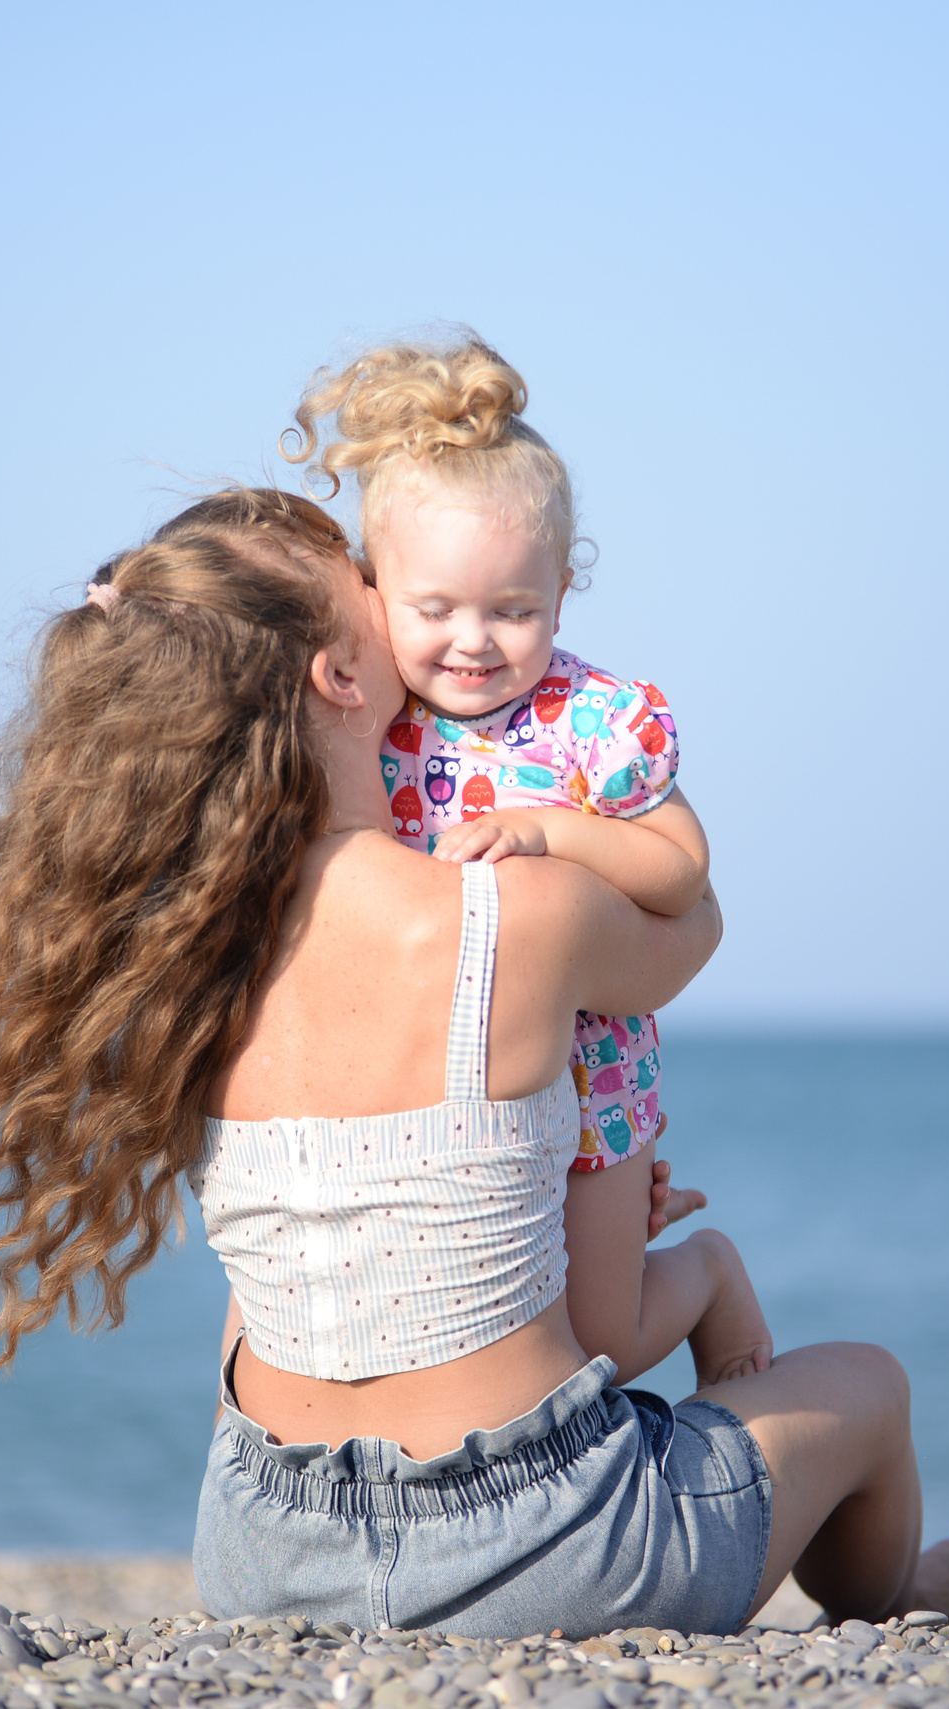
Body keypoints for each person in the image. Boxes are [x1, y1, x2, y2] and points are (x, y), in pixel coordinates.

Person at [0, 484, 949, 1638]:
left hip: (263, 1548)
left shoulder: (174, 962)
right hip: (548, 1543)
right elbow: (693, 924)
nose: (389, 591)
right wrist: (578, 817)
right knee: (869, 1384)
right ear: (343, 678)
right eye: (366, 585)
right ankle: (888, 1597)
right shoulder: (508, 909)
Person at [287, 333, 768, 1389]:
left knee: (597, 1335)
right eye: (434, 610)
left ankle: (705, 1272)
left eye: (513, 610)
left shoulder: (590, 723)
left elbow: (681, 871)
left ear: (563, 586)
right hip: (446, 1074)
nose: (473, 641)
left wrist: (552, 831)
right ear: (375, 595)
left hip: (589, 1068)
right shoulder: (376, 710)